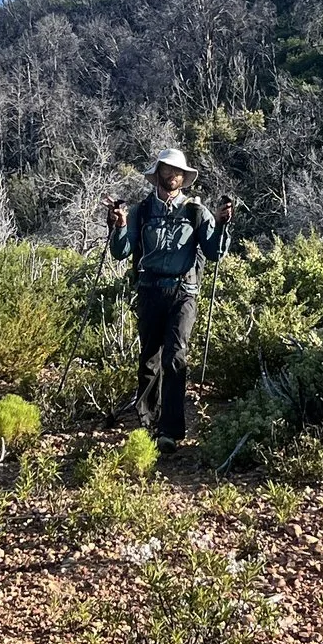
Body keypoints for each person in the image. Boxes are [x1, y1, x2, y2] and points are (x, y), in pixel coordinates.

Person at [105, 150, 235, 443]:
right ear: (159, 173)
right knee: (149, 358)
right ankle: (147, 423)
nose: (173, 175)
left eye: (178, 171)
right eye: (168, 169)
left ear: (183, 177)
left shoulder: (195, 211)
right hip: (150, 290)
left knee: (175, 357)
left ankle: (170, 432)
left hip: (184, 293)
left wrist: (221, 222)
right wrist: (120, 225)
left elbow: (214, 252)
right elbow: (120, 252)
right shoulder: (141, 210)